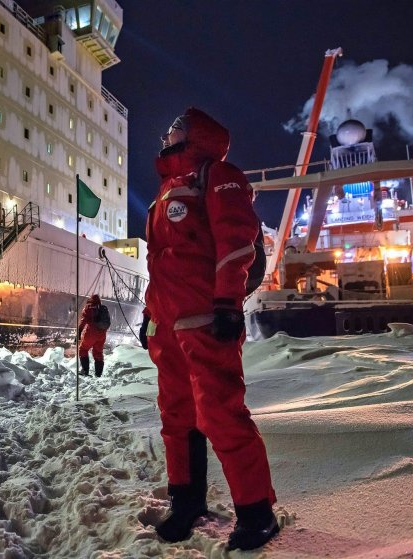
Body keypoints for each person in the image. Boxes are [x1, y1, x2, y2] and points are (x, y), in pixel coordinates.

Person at [140, 107, 278, 551]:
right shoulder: (165, 192)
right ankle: (187, 502)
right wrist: (149, 315)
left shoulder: (218, 175)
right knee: (176, 418)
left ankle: (257, 513)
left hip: (205, 321)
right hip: (170, 328)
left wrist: (226, 302)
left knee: (221, 412)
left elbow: (236, 239)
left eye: (173, 129)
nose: (165, 135)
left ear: (193, 135)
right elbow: (158, 262)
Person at [77, 294, 107, 377]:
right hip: (102, 334)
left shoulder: (88, 308)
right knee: (98, 352)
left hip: (91, 333)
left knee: (83, 349)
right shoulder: (103, 308)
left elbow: (83, 321)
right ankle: (98, 374)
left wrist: (79, 332)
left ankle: (85, 371)